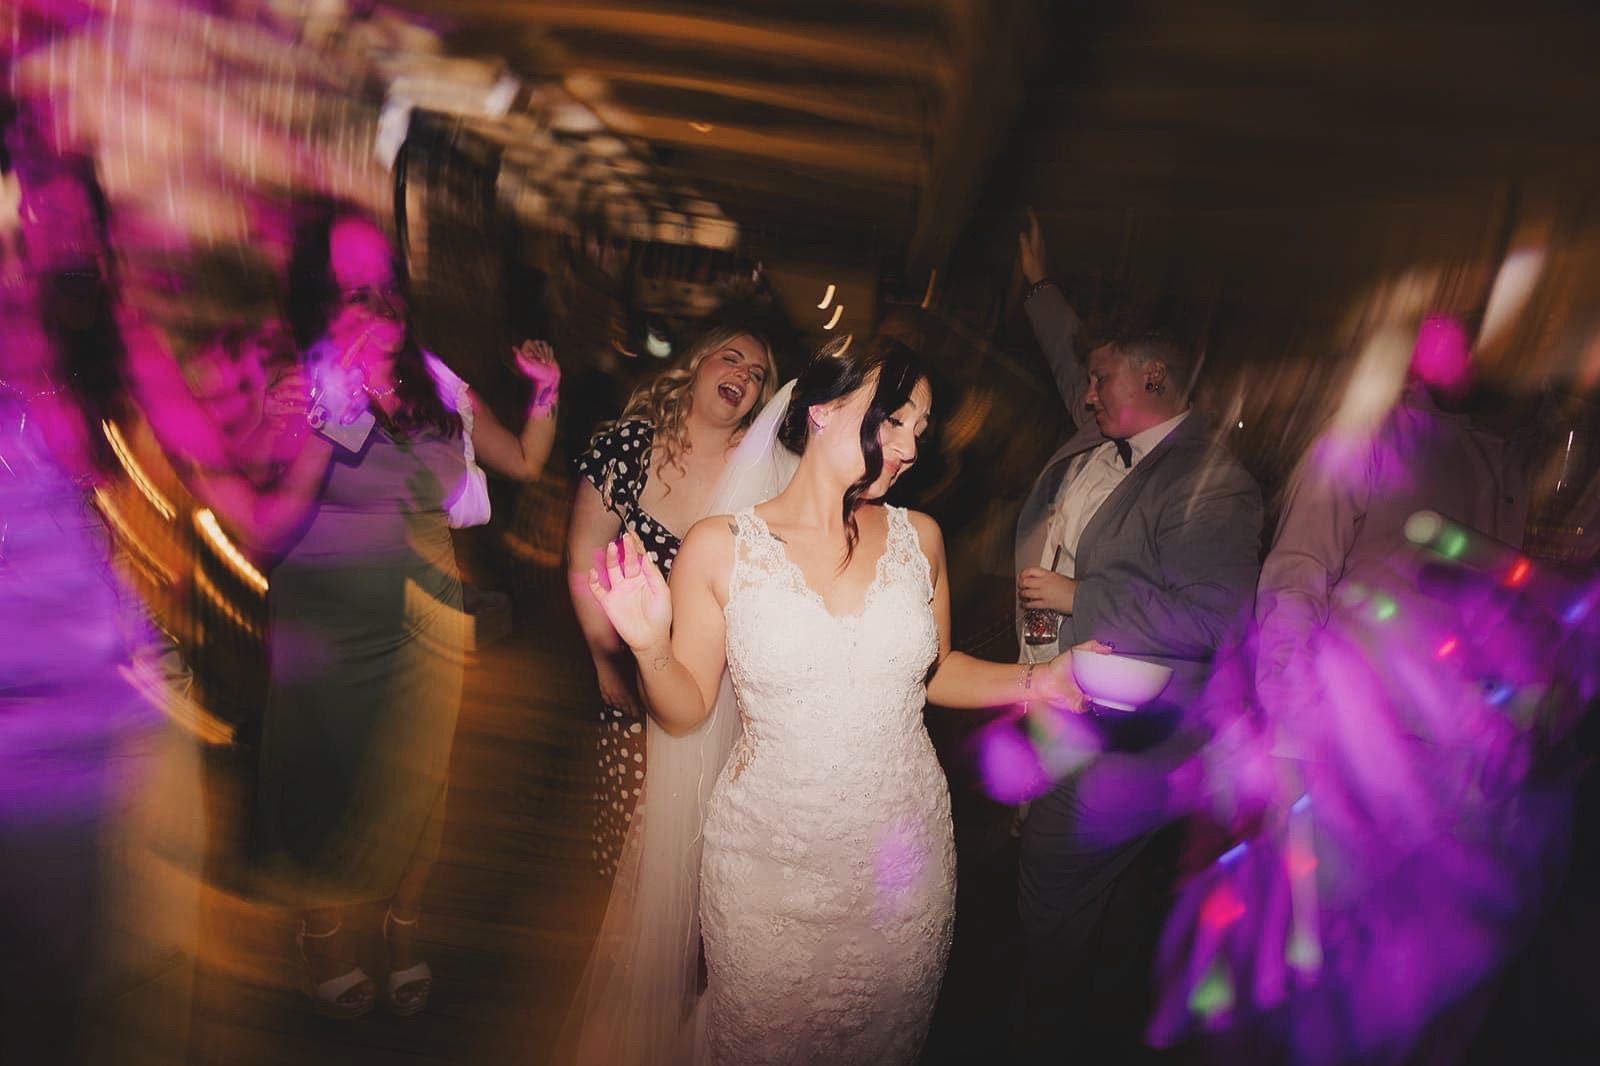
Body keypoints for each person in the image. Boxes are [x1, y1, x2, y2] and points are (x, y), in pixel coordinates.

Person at [585, 334, 1105, 1065]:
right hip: (770, 869)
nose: (911, 446)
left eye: (920, 430)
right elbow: (687, 708)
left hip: (903, 864)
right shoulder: (720, 546)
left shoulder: (919, 539)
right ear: (824, 410)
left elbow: (934, 670)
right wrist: (649, 646)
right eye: (894, 419)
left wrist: (1039, 683)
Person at [219, 200, 561, 1020]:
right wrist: (323, 411)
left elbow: (519, 458)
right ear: (319, 298)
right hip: (323, 625)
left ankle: (405, 927)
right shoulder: (294, 382)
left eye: (380, 283)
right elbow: (264, 505)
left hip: (423, 623)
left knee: (417, 786)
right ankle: (322, 932)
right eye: (348, 288)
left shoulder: (436, 380)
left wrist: (544, 393)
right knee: (321, 777)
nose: (370, 302)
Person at [1012, 213, 1264, 1062]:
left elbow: (1218, 615)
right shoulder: (1105, 432)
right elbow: (1070, 356)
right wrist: (1040, 288)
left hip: (1128, 744)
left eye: (1102, 378)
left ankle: (1038, 1031)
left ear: (1152, 377)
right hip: (1066, 703)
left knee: (1049, 879)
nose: (1086, 393)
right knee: (1106, 903)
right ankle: (1110, 1019)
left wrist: (1084, 596)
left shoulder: (1212, 483)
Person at [1, 114, 202, 1066]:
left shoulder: (91, 357)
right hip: (40, 711)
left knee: (54, 981)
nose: (52, 240)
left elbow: (147, 507)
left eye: (71, 224)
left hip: (68, 733)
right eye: (38, 217)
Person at [566, 322, 775, 877]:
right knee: (635, 849)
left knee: (706, 854)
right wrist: (605, 665)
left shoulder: (762, 475)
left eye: (756, 375)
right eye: (731, 359)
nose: (743, 376)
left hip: (720, 690)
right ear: (697, 365)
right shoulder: (627, 449)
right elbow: (585, 557)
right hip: (635, 675)